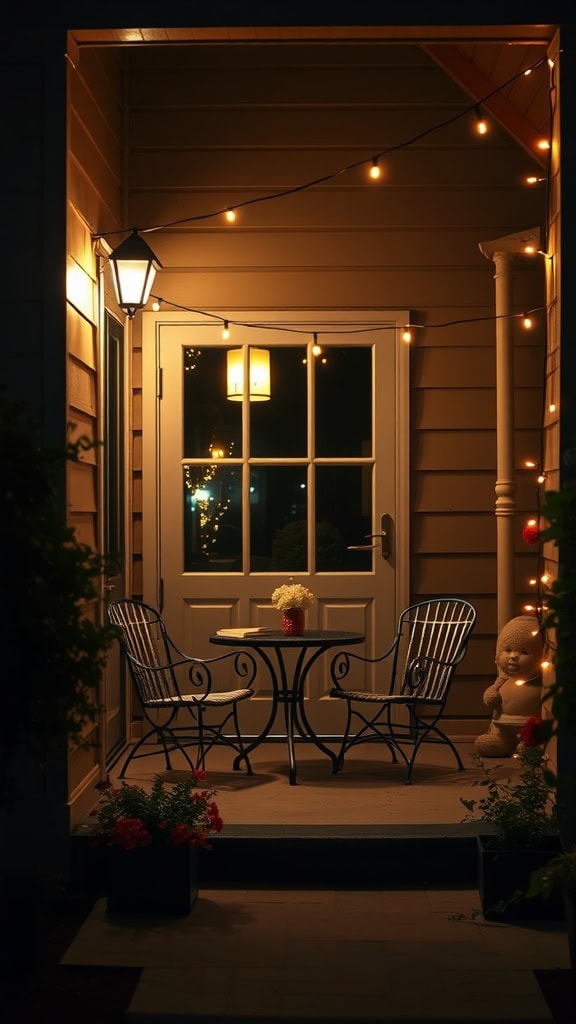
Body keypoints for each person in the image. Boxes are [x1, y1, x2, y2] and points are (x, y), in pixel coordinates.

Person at [474, 614, 544, 757]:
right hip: (502, 728)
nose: (513, 656)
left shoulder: (539, 682)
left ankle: (527, 745)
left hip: (529, 727)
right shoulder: (503, 679)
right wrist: (491, 696)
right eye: (508, 650)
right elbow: (489, 697)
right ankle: (500, 743)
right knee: (487, 744)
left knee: (527, 748)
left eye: (524, 652)